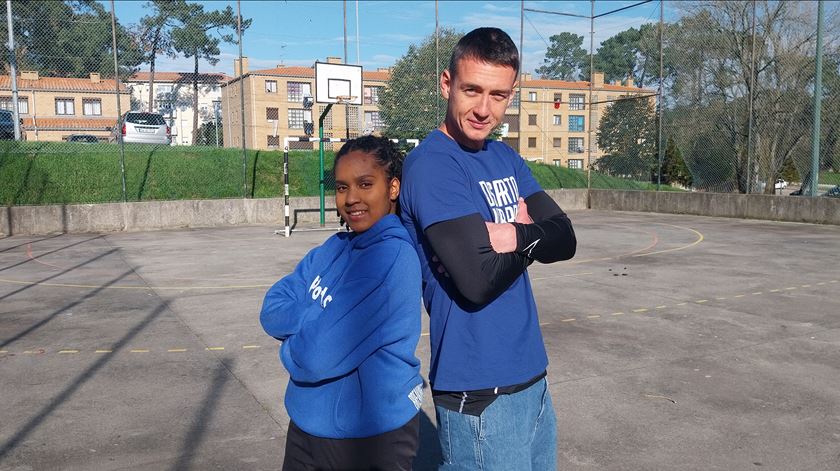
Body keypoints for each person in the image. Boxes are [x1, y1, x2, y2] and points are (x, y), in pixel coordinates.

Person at [399, 27, 577, 469]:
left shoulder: (505, 158)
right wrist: (535, 235)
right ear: (446, 84)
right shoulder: (432, 165)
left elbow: (566, 238)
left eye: (498, 96)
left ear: (511, 95)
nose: (483, 109)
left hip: (532, 376)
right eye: (471, 90)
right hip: (480, 390)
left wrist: (515, 236)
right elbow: (477, 281)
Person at [260, 135, 424, 470]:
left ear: (392, 188)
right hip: (307, 423)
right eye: (341, 187)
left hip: (367, 436)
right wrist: (317, 314)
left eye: (365, 184)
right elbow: (272, 309)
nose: (351, 198)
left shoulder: (391, 257)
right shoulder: (334, 247)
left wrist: (293, 342)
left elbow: (314, 357)